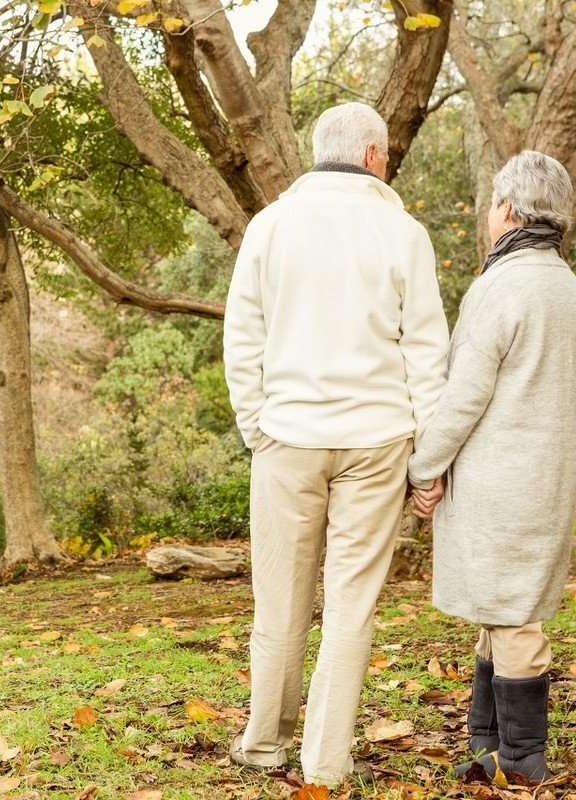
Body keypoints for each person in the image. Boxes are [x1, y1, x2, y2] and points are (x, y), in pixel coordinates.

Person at [223, 102, 449, 786]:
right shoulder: (403, 232)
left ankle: (265, 744)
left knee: (281, 599)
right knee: (351, 605)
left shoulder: (271, 226)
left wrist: (257, 427)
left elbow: (243, 339)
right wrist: (428, 464)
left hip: (289, 435)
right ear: (374, 155)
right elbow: (427, 353)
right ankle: (324, 760)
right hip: (378, 438)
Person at [408, 150, 576, 783]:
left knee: (513, 618)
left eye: (492, 203)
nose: (488, 214)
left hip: (501, 481)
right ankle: (486, 749)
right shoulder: (571, 292)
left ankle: (521, 762)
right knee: (504, 610)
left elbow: (465, 395)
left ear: (510, 211)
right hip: (549, 476)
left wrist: (424, 467)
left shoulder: (500, 286)